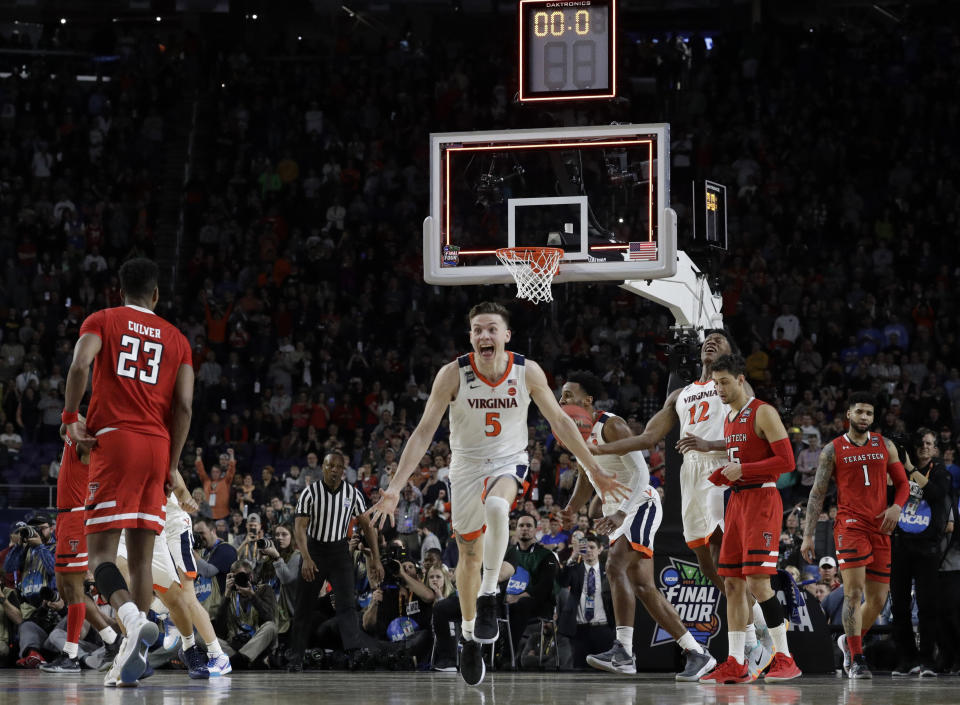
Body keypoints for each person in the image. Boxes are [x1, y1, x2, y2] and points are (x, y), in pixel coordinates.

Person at [367, 301, 628, 686]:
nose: (484, 335)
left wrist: (593, 468)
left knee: (497, 505)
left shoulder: (527, 371)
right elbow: (423, 432)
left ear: (506, 335)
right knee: (468, 558)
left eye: (492, 329)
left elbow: (559, 421)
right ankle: (470, 637)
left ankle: (490, 594)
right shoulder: (452, 374)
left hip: (508, 462)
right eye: (477, 330)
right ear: (471, 336)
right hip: (466, 468)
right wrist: (393, 489)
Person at [593, 331, 772, 669]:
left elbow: (751, 437)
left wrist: (711, 446)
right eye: (708, 339)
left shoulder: (737, 387)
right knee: (706, 566)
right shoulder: (680, 394)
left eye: (720, 339)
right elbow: (646, 437)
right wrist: (599, 449)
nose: (711, 341)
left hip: (721, 470)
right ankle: (755, 626)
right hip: (690, 476)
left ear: (733, 357)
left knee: (725, 560)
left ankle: (752, 642)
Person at [61, 257, 194, 686]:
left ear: (120, 292)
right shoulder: (178, 339)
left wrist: (69, 416)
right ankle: (129, 661)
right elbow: (185, 406)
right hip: (157, 447)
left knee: (99, 555)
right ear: (156, 295)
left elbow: (81, 364)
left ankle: (132, 619)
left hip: (116, 440)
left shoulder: (102, 319)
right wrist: (173, 466)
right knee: (139, 562)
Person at [558, 371, 717, 681]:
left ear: (587, 400)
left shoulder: (612, 426)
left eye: (568, 394)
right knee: (644, 587)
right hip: (619, 513)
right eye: (561, 395)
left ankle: (624, 651)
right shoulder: (573, 431)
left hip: (640, 504)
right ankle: (696, 652)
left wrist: (622, 513)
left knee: (614, 566)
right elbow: (586, 475)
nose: (561, 400)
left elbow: (643, 476)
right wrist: (571, 509)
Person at [699, 354, 802, 683]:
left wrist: (743, 470)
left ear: (741, 379)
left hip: (763, 500)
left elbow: (786, 461)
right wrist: (726, 475)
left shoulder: (764, 412)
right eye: (716, 384)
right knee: (732, 584)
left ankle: (785, 658)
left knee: (758, 582)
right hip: (738, 501)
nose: (720, 389)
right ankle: (736, 661)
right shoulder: (729, 418)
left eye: (725, 382)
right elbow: (743, 462)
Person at [801, 392, 909, 679]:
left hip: (881, 526)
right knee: (853, 593)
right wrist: (808, 535)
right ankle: (857, 658)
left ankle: (849, 643)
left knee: (878, 599)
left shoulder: (885, 445)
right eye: (859, 412)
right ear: (848, 414)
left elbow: (903, 483)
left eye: (869, 413)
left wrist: (897, 506)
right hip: (850, 526)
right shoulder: (831, 450)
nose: (864, 417)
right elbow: (817, 493)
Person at [287, 451, 384, 672]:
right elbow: (299, 528)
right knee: (304, 605)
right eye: (331, 466)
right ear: (323, 467)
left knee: (347, 605)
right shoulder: (310, 493)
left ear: (344, 470)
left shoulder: (353, 493)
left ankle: (355, 653)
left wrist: (377, 559)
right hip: (315, 549)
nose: (335, 470)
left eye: (339, 467)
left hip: (340, 550)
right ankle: (296, 655)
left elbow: (368, 526)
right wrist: (306, 558)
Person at [39, 421, 119, 673]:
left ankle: (70, 656)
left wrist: (76, 416)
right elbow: (66, 424)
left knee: (74, 590)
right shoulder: (71, 438)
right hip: (63, 518)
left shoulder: (85, 446)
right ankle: (112, 639)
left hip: (76, 518)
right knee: (65, 591)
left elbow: (71, 418)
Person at [888, 428, 951, 676]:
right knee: (899, 607)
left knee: (927, 606)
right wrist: (898, 468)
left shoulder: (940, 471)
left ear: (935, 449)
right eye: (921, 443)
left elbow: (936, 494)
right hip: (901, 545)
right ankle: (907, 659)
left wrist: (911, 469)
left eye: (929, 443)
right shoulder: (899, 471)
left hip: (927, 548)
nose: (925, 447)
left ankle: (927, 659)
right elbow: (888, 494)